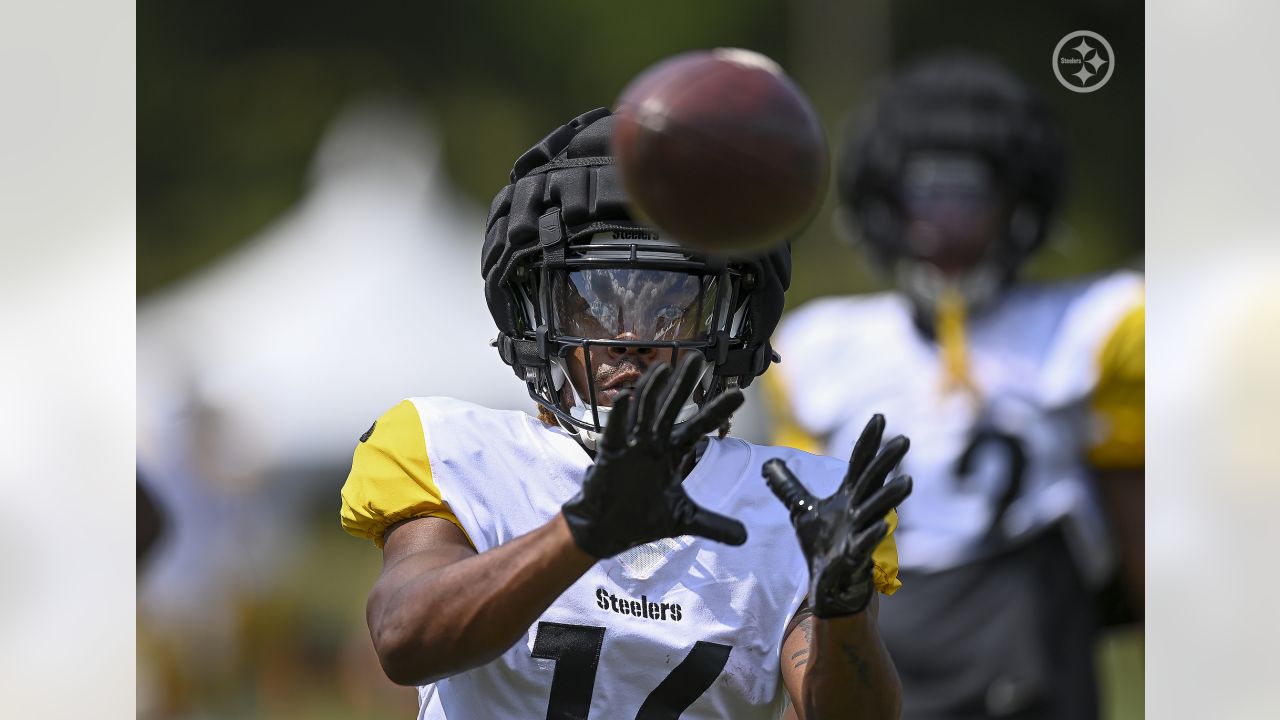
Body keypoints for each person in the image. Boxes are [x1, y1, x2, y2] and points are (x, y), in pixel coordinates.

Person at [339, 107, 913, 719]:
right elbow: (404, 641)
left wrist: (842, 611)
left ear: (729, 327)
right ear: (537, 317)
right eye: (594, 298)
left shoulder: (794, 502)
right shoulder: (458, 453)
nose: (631, 335)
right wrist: (584, 530)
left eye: (672, 301)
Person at [766, 55, 1144, 720]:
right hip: (882, 644)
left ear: (1019, 205)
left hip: (1034, 653)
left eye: (971, 202)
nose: (945, 228)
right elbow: (800, 559)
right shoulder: (817, 350)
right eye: (926, 201)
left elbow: (1146, 531)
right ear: (884, 205)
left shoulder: (1094, 330)